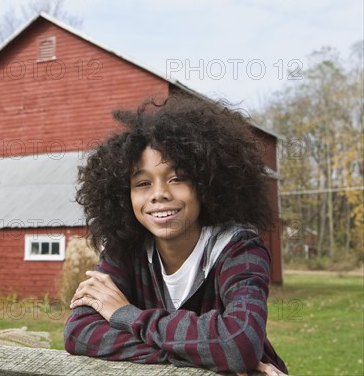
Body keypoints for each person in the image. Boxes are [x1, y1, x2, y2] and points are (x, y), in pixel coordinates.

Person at [64, 95, 288, 376]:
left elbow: (237, 344)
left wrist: (125, 315)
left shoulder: (239, 249)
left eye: (177, 178)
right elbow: (80, 333)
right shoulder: (125, 248)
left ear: (206, 183)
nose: (159, 194)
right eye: (143, 183)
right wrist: (203, 355)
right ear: (125, 195)